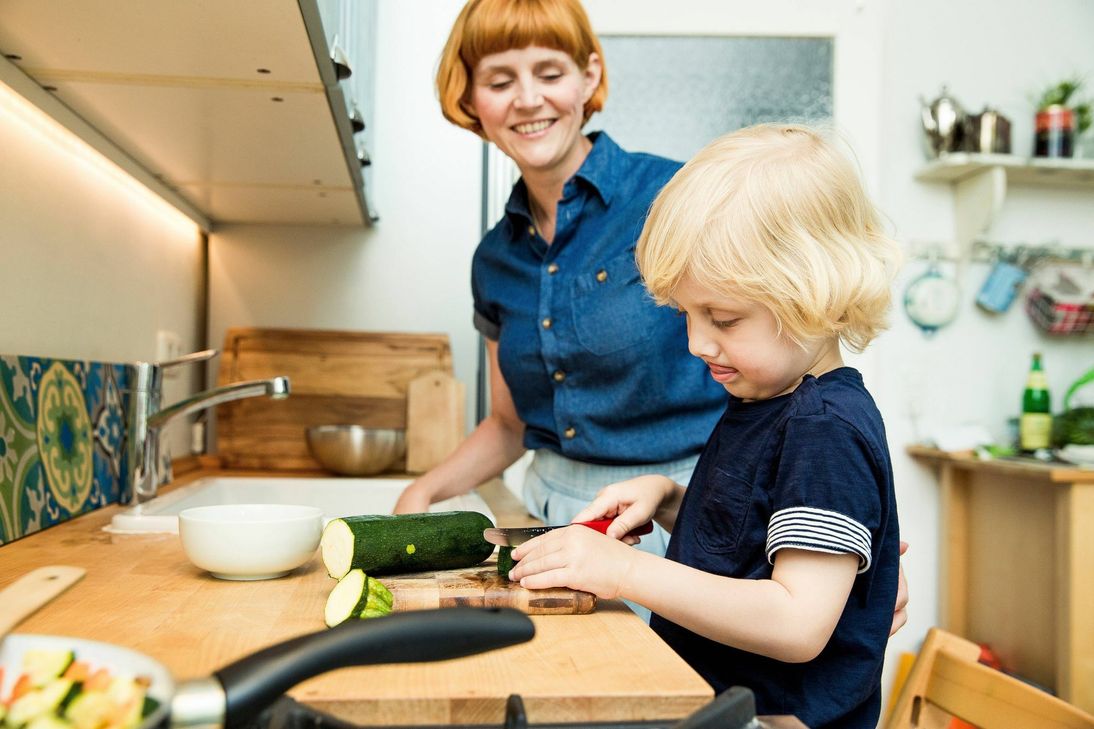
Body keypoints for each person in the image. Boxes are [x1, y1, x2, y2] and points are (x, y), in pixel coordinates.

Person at [393, 0, 908, 634]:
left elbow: (808, 431)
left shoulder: (680, 202)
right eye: (500, 81)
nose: (527, 99)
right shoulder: (495, 258)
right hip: (608, 510)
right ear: (470, 97)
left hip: (693, 532)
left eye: (549, 73)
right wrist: (423, 493)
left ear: (588, 76)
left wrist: (850, 551)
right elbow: (508, 422)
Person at [508, 124, 903, 728]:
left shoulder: (825, 429)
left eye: (722, 317)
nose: (696, 342)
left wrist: (624, 571)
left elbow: (797, 622)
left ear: (815, 293)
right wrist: (669, 499)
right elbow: (757, 533)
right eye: (688, 315)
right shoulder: (768, 399)